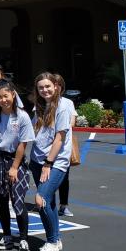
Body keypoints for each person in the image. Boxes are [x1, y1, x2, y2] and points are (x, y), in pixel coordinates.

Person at [30, 73, 74, 251]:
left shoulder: (63, 106)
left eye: (48, 86)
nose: (45, 90)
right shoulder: (40, 105)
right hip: (36, 160)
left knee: (41, 199)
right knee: (50, 202)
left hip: (55, 162)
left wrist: (48, 163)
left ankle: (52, 241)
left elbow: (59, 138)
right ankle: (56, 239)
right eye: (41, 87)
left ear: (56, 86)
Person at [0, 81, 34, 251]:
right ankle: (7, 235)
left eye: (6, 96)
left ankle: (23, 238)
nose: (3, 100)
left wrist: (15, 167)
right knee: (1, 199)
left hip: (15, 160)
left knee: (18, 199)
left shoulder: (22, 116)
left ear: (13, 95)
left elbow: (23, 143)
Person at [54, 74, 76, 217]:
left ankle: (63, 205)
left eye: (57, 84)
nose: (55, 87)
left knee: (63, 177)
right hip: (47, 147)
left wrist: (61, 129)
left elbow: (73, 120)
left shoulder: (68, 102)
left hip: (64, 145)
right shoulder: (43, 103)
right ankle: (47, 203)